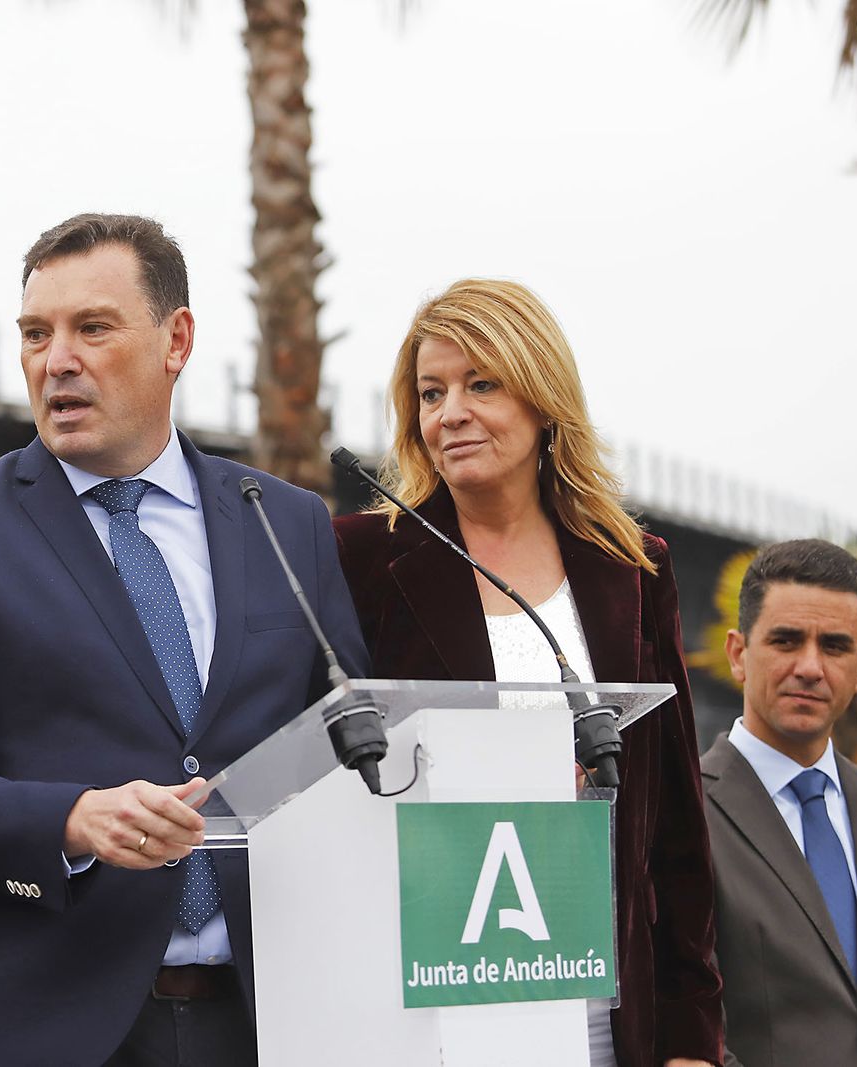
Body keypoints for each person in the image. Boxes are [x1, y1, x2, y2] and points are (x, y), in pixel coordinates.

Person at [0, 213, 369, 1066]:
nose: (56, 358)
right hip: (47, 1026)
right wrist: (68, 819)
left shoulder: (286, 522)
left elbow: (353, 747)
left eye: (91, 328)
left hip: (270, 1022)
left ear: (176, 339)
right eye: (36, 333)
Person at [333, 278, 721, 1067]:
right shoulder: (364, 559)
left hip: (607, 1001)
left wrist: (691, 1036)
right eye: (432, 392)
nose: (451, 413)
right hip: (438, 995)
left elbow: (676, 818)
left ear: (543, 398)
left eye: (482, 384)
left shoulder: (634, 567)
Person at [701, 539, 857, 1066]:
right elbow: (683, 1021)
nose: (810, 666)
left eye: (833, 645)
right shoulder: (679, 813)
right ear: (739, 653)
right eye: (786, 640)